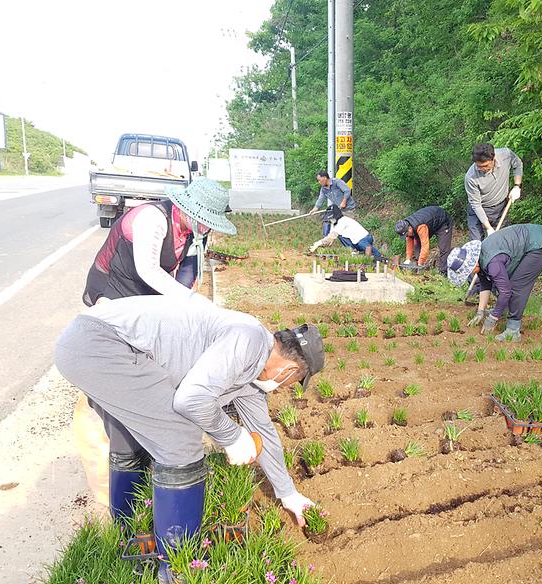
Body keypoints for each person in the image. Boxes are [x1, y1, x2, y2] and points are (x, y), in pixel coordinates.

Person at [54, 295, 325, 583]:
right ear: (289, 371)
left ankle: (128, 538)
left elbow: (265, 434)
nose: (284, 388)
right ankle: (178, 570)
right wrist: (231, 436)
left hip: (89, 343)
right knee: (180, 441)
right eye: (293, 383)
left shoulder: (251, 376)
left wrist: (288, 494)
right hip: (104, 346)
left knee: (131, 439)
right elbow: (191, 400)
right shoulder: (248, 340)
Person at [82, 177, 235, 307]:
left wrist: (180, 303)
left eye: (210, 223)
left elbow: (188, 270)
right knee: (113, 333)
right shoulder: (152, 218)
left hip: (150, 290)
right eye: (205, 220)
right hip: (115, 285)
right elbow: (148, 270)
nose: (207, 226)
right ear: (188, 208)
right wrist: (190, 299)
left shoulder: (199, 230)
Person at [447, 224, 542, 342]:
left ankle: (513, 330)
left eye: (468, 271)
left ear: (472, 264)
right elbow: (485, 285)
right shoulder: (480, 259)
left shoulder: (492, 264)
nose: (469, 274)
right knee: (502, 283)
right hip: (530, 241)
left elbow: (506, 292)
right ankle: (503, 310)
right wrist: (480, 311)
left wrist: (493, 317)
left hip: (538, 244)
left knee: (517, 287)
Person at [465, 143, 524, 241]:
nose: (481, 169)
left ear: (493, 158)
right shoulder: (471, 177)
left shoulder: (506, 155)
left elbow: (517, 164)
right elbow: (476, 204)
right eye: (478, 166)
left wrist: (517, 186)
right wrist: (488, 228)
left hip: (501, 207)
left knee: (503, 240)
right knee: (477, 243)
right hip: (479, 210)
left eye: (485, 165)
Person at [309, 206, 384, 261]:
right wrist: (320, 245)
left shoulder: (343, 221)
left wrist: (318, 243)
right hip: (354, 241)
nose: (330, 220)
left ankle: (376, 257)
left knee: (363, 244)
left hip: (365, 238)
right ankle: (353, 251)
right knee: (340, 236)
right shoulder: (334, 224)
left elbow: (331, 237)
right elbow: (330, 239)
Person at [395, 206, 453, 275]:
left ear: (409, 228)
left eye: (406, 234)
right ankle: (416, 269)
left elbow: (425, 246)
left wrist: (420, 263)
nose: (407, 236)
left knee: (444, 248)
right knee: (417, 246)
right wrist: (408, 259)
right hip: (430, 223)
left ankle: (443, 273)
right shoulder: (407, 227)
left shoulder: (420, 226)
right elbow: (409, 243)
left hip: (442, 221)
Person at [308, 170, 355, 236]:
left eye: (319, 180)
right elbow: (320, 199)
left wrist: (343, 202)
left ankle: (354, 242)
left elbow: (347, 190)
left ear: (325, 178)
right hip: (338, 210)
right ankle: (327, 238)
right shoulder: (323, 189)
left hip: (348, 209)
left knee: (349, 227)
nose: (319, 182)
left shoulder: (337, 182)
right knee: (331, 222)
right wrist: (314, 209)